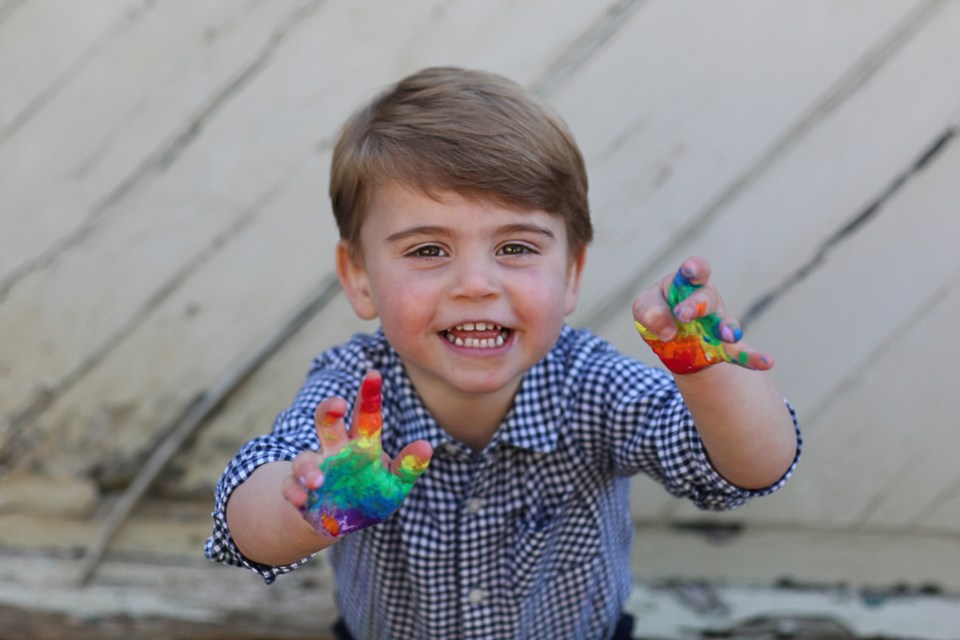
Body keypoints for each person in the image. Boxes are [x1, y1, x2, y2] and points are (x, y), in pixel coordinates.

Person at [205, 66, 800, 640]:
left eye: (515, 246)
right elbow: (244, 518)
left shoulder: (593, 384)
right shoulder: (355, 394)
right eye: (428, 250)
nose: (476, 284)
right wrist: (309, 512)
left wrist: (707, 377)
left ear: (571, 274)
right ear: (359, 276)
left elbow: (747, 471)